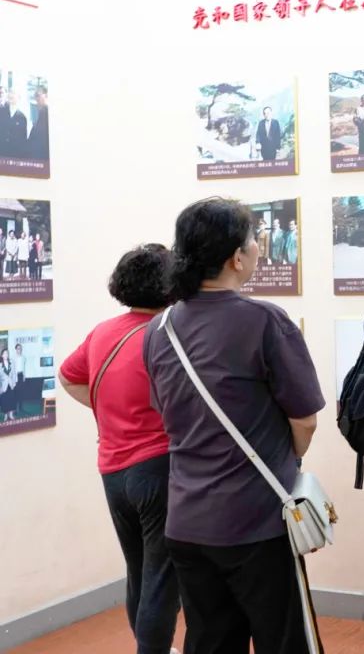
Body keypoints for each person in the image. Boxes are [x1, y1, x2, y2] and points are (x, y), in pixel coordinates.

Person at [142, 198, 326, 653]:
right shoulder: (264, 321)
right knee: (283, 642)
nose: (258, 247)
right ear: (236, 258)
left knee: (209, 642)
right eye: (252, 240)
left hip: (186, 521)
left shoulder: (160, 329)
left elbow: (166, 412)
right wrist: (287, 458)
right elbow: (304, 420)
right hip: (256, 522)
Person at [58, 244, 182, 654]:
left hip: (113, 471)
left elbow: (69, 377)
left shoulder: (103, 332)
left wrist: (109, 410)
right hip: (158, 468)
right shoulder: (166, 334)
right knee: (161, 577)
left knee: (139, 571)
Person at [26, 85, 49, 160]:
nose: (36, 99)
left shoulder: (48, 114)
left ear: (46, 95)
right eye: (35, 96)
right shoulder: (40, 113)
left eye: (38, 95)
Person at [5, 89, 28, 159]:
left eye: (13, 93)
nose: (11, 95)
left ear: (19, 97)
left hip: (14, 155)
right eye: (10, 92)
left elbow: (22, 139)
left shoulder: (22, 117)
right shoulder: (1, 112)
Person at [0, 348, 16, 421]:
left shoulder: (11, 363)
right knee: (5, 401)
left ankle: (11, 415)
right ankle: (6, 415)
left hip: (11, 384)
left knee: (11, 400)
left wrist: (14, 383)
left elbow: (14, 373)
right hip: (4, 386)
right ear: (2, 355)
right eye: (4, 353)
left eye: (7, 353)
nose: (6, 355)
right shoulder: (0, 365)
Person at [0, 86, 11, 155]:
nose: (0, 95)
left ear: (6, 94)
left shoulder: (9, 106)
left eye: (2, 93)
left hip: (6, 140)